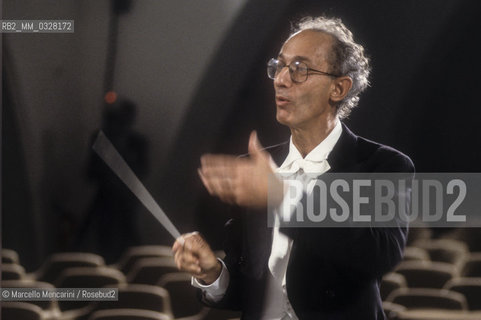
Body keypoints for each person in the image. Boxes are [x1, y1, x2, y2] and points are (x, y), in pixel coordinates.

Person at [172, 16, 414, 320]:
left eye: (299, 69)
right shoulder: (255, 167)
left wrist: (284, 197)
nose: (280, 79)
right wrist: (213, 274)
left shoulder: (382, 165)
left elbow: (380, 255)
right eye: (279, 66)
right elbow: (251, 289)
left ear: (339, 88)